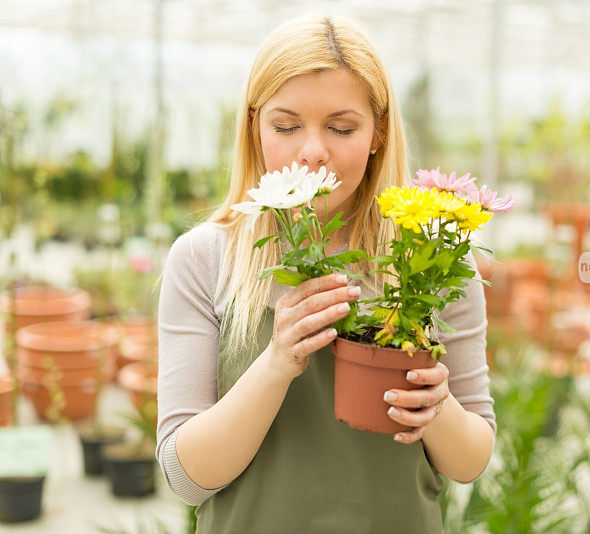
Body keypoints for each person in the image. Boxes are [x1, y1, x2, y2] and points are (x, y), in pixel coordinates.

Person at [156, 12, 495, 533]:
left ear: (379, 131)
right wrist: (275, 362)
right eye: (286, 126)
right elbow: (185, 475)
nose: (313, 151)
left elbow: (470, 461)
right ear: (254, 127)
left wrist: (438, 406)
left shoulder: (434, 261)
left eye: (342, 127)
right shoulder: (205, 259)